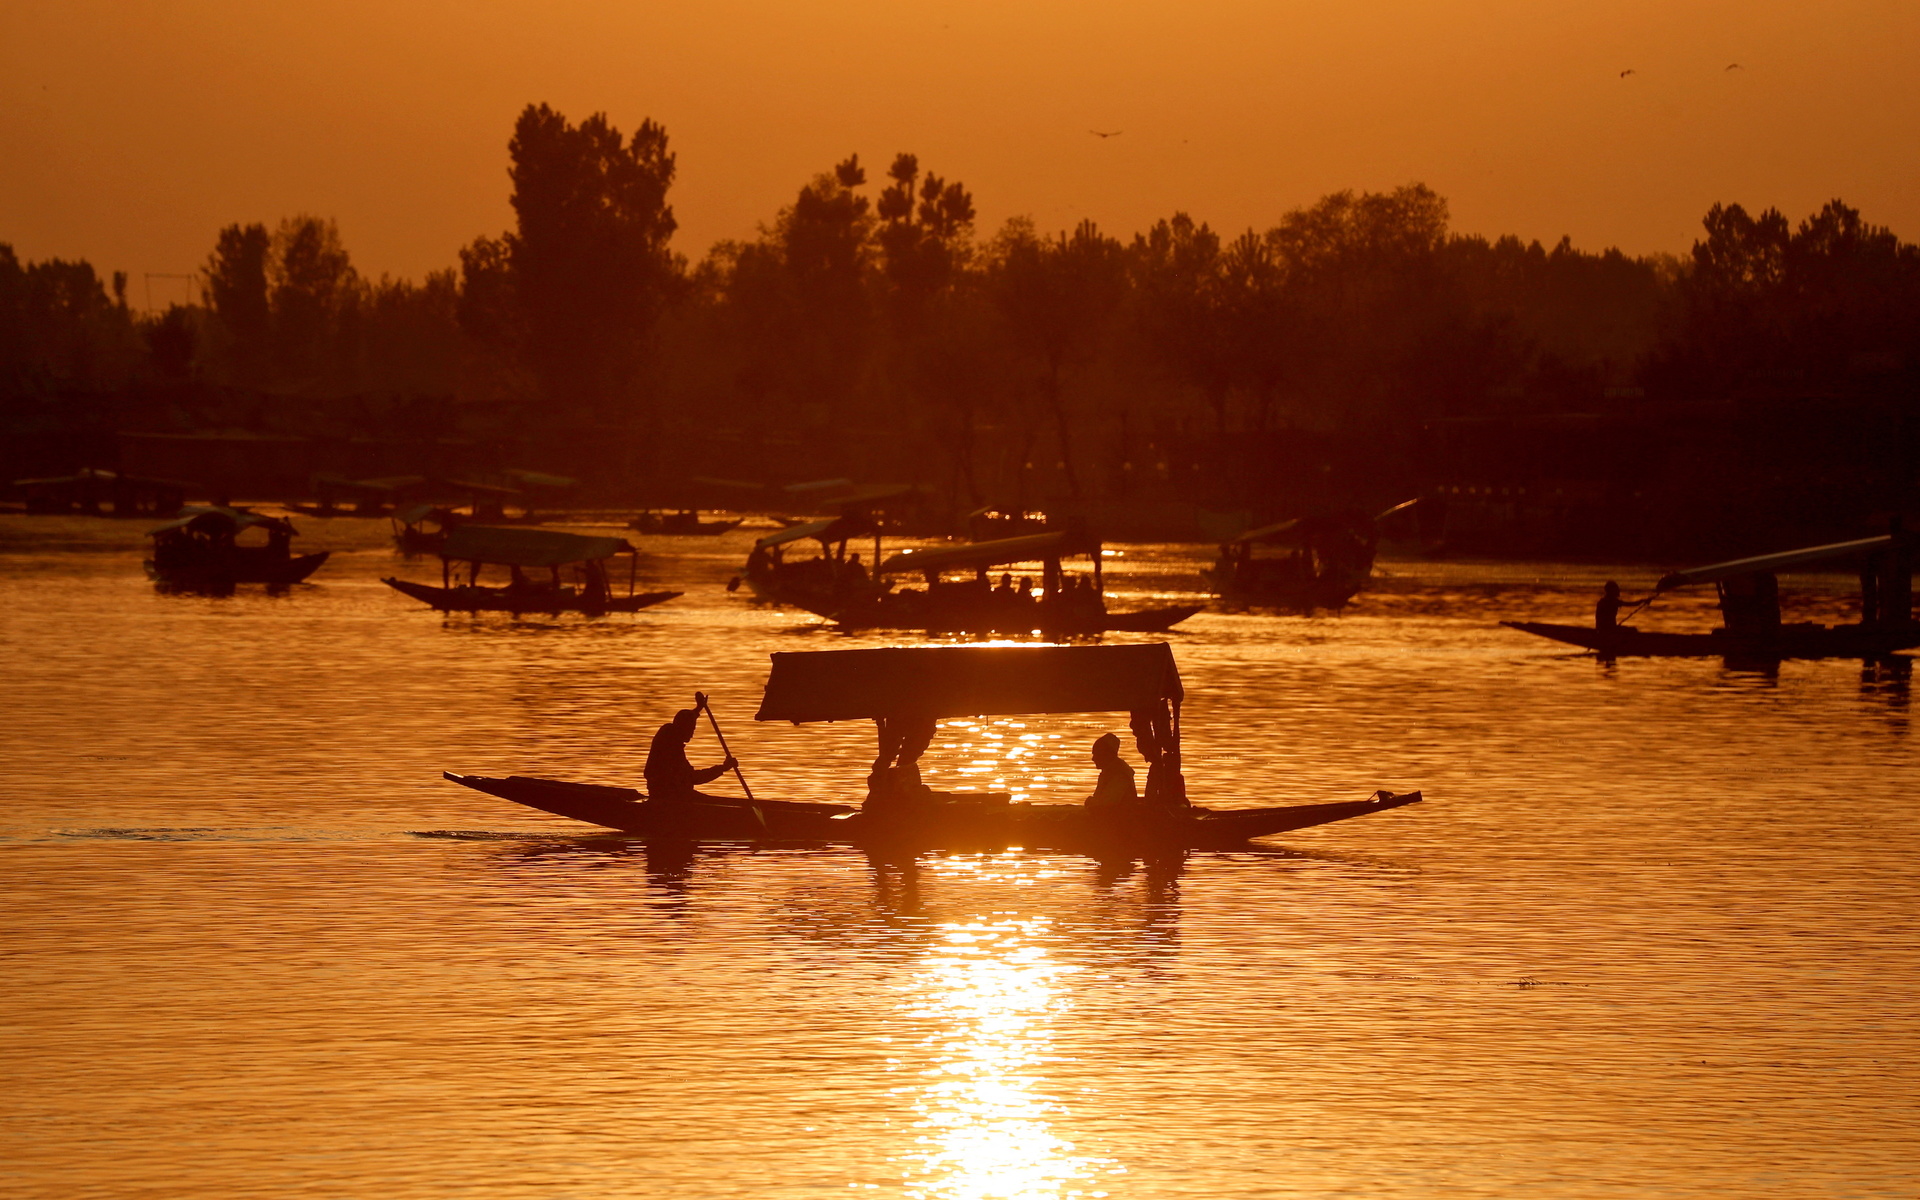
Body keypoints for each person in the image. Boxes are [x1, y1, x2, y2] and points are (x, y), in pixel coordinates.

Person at [644, 707, 737, 802]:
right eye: (691, 729)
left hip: (671, 793)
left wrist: (698, 708)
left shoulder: (666, 732)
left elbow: (685, 719)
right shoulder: (672, 750)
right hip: (669, 796)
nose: (692, 735)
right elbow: (694, 778)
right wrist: (722, 768)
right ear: (683, 728)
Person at [1083, 733, 1139, 810]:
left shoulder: (1120, 775)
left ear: (1107, 754)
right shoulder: (1107, 772)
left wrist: (1091, 801)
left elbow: (1106, 804)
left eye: (1096, 754)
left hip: (1120, 819)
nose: (1093, 759)